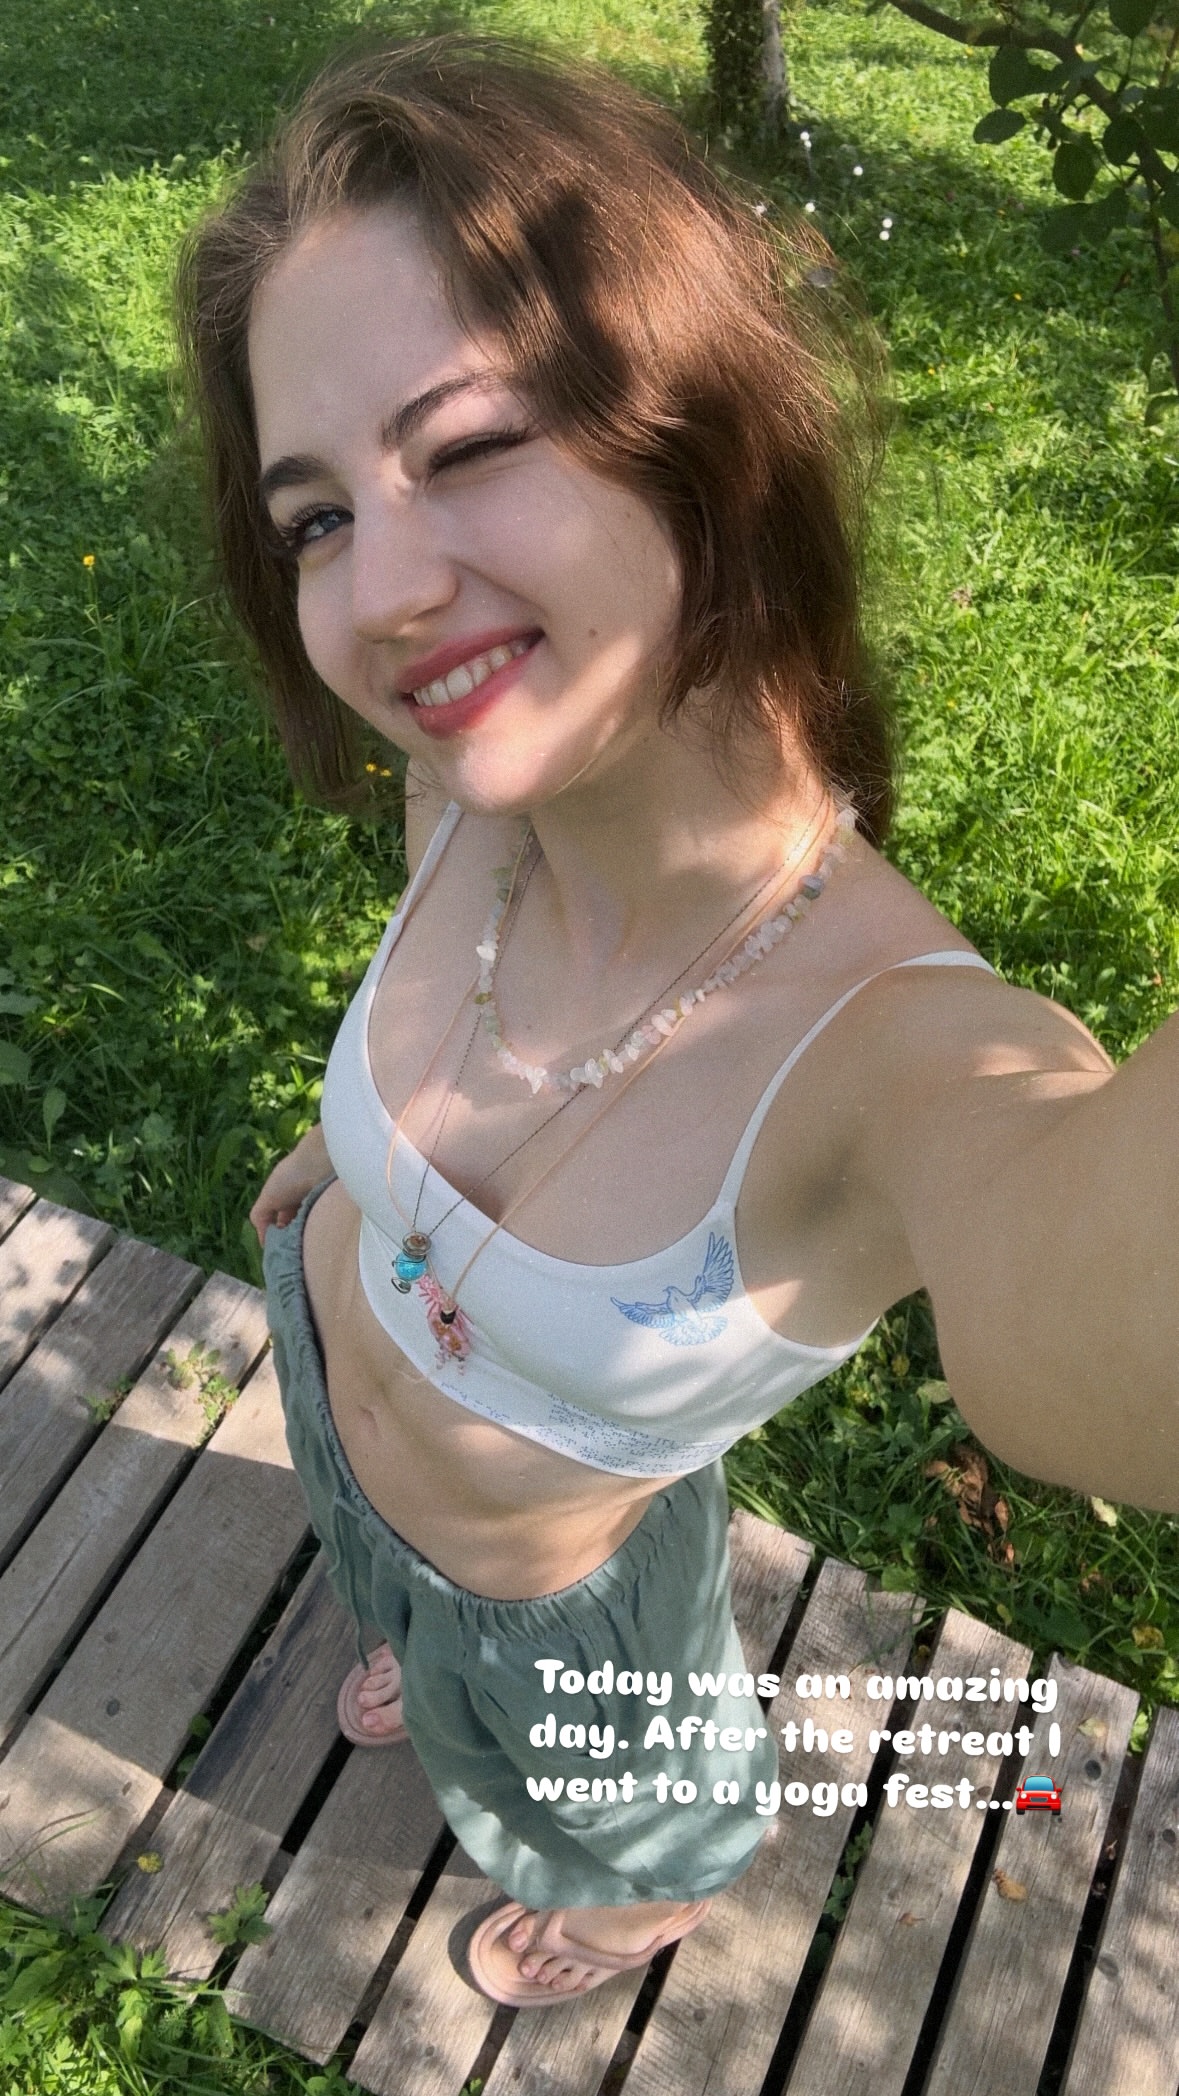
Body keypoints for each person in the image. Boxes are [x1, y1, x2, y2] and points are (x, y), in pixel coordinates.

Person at [177, 31, 1178, 2006]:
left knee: (603, 1802)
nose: (377, 592)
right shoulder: (472, 778)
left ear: (701, 433)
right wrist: (351, 1166)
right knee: (410, 1619)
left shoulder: (904, 1066)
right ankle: (413, 1634)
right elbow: (454, 1025)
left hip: (561, 1600)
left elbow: (1125, 1340)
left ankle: (627, 1904)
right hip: (334, 1376)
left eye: (467, 446)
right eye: (314, 516)